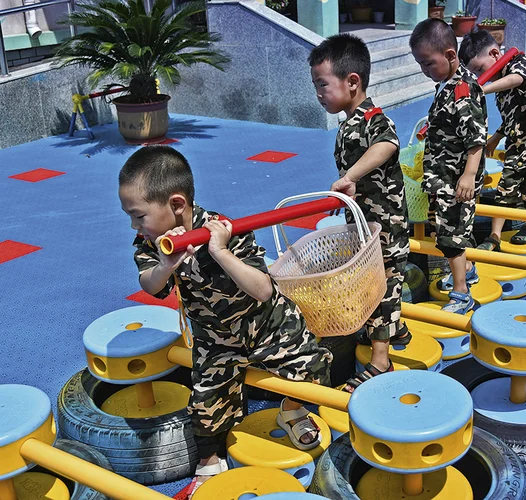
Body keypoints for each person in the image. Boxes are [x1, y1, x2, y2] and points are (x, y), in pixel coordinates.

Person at [118, 146, 332, 498]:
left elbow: (263, 290)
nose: (134, 225)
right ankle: (210, 459)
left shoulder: (228, 231)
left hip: (269, 325)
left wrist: (221, 252)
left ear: (176, 205)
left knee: (315, 368)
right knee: (204, 405)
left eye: (139, 215)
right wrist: (166, 266)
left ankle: (291, 413)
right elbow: (149, 284)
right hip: (215, 338)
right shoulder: (152, 243)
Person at [308, 33, 411, 390]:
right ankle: (395, 328)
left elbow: (387, 144)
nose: (318, 93)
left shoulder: (372, 118)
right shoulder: (349, 121)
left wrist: (349, 176)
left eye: (323, 85)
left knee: (379, 287)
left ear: (353, 82)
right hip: (366, 224)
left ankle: (381, 362)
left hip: (385, 226)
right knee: (382, 285)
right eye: (315, 86)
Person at [409, 18, 488, 314]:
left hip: (456, 180)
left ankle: (461, 294)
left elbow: (476, 139)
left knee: (452, 236)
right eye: (421, 64)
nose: (424, 70)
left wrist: (468, 176)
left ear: (451, 56)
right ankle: (466, 271)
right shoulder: (447, 84)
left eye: (428, 63)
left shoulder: (462, 90)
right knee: (447, 230)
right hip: (443, 178)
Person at [459, 30, 526, 244]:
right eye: (475, 74)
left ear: (495, 54)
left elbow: (518, 79)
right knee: (506, 187)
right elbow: (513, 114)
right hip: (519, 142)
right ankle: (494, 236)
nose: (479, 76)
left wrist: (482, 89)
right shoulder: (500, 83)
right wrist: (496, 136)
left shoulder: (518, 63)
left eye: (479, 69)